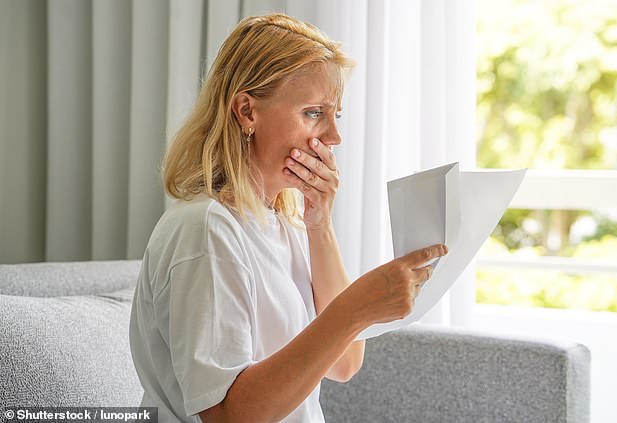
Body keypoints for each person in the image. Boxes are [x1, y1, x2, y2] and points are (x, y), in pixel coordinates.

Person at [129, 13, 447, 423]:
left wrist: (321, 224)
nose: (334, 137)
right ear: (247, 112)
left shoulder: (282, 223)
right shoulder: (206, 229)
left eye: (336, 115)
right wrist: (355, 308)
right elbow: (226, 415)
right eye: (314, 112)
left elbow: (345, 363)